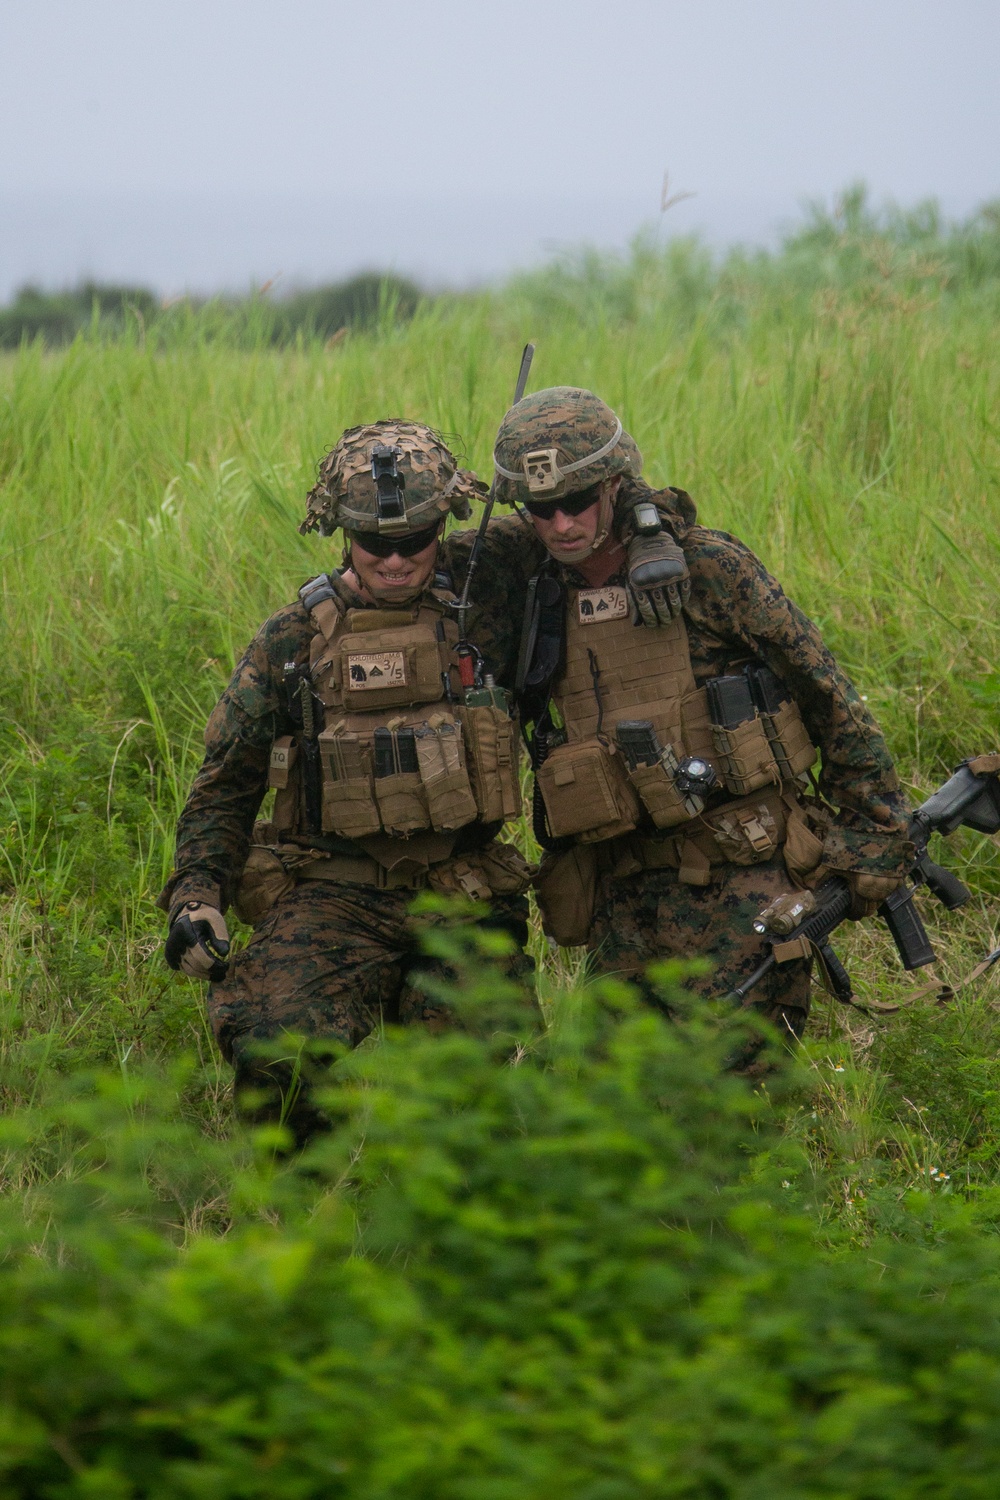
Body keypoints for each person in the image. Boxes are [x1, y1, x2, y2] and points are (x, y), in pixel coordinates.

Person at [479, 385, 912, 1041]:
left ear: (613, 485)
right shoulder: (533, 585)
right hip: (618, 889)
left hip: (738, 871)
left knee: (740, 1080)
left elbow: (828, 695)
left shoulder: (708, 568)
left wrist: (876, 833)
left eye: (577, 501)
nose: (562, 524)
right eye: (542, 509)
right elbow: (411, 557)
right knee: (622, 1092)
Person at [160, 421, 534, 1144]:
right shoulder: (293, 639)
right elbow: (227, 782)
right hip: (334, 892)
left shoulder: (486, 597)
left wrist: (653, 526)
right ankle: (311, 1195)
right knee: (272, 1050)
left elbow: (581, 511)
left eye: (414, 540)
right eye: (374, 542)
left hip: (461, 893)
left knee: (479, 1097)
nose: (395, 559)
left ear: (443, 526)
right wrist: (197, 894)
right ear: (342, 532)